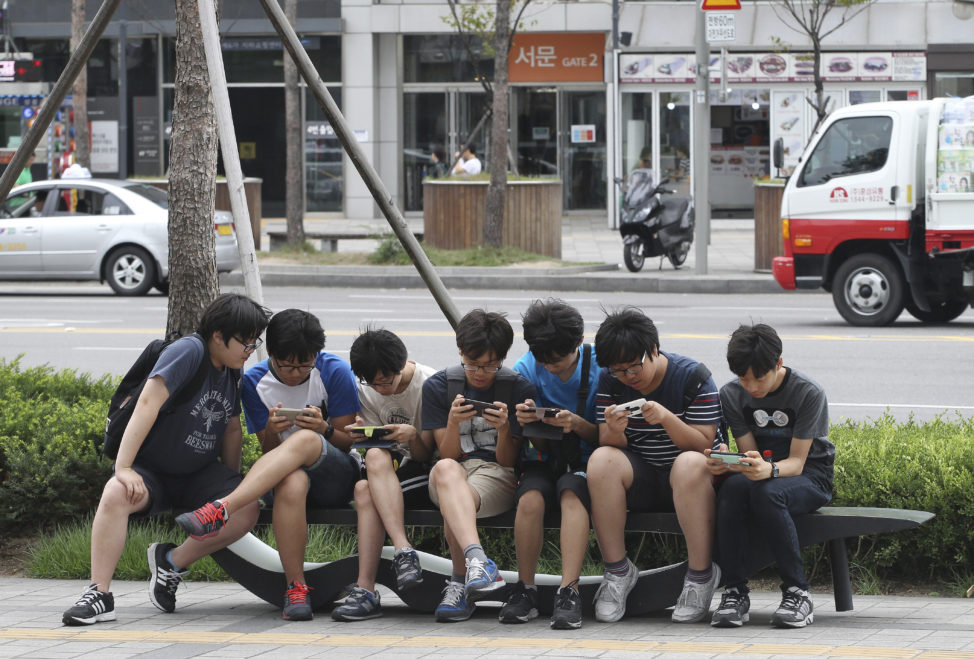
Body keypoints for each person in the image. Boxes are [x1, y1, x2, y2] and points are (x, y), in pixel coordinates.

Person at [61, 293, 272, 626]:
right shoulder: (189, 351)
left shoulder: (232, 368)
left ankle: (171, 562)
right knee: (116, 491)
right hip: (153, 472)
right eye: (245, 343)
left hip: (199, 473)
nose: (250, 350)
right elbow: (147, 404)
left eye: (252, 343)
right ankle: (99, 594)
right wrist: (124, 467)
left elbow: (231, 428)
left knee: (244, 505)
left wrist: (228, 486)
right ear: (218, 335)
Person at [174, 308, 361, 622]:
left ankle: (222, 508)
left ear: (317, 354)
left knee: (304, 441)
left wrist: (324, 429)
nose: (294, 373)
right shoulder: (254, 381)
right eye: (286, 365)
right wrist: (273, 432)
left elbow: (350, 441)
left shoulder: (334, 371)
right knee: (292, 481)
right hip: (285, 480)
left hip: (336, 477)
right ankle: (296, 588)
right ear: (270, 353)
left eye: (304, 365)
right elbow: (269, 450)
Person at [588, 307, 722, 624]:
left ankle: (700, 575)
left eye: (634, 367)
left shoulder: (693, 378)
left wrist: (666, 418)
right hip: (644, 477)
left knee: (689, 463)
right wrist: (613, 429)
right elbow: (608, 442)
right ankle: (618, 572)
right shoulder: (611, 380)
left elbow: (703, 445)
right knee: (601, 460)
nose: (628, 377)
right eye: (619, 371)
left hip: (694, 481)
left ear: (654, 350)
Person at [708, 324, 835, 629]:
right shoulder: (732, 394)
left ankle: (797, 592)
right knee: (732, 489)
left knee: (768, 493)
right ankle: (735, 591)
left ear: (778, 364)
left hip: (809, 476)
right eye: (743, 378)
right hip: (765, 472)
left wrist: (770, 470)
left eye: (759, 377)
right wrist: (730, 462)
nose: (751, 386)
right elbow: (751, 454)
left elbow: (797, 462)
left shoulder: (807, 392)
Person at [422, 309, 536, 622]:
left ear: (502, 358)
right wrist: (452, 422)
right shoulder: (438, 387)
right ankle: (478, 560)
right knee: (447, 473)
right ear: (460, 351)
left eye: (489, 365)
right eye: (472, 363)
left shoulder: (518, 389)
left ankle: (460, 585)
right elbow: (446, 455)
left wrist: (503, 429)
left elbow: (508, 462)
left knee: (453, 498)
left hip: (495, 474)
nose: (480, 372)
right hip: (452, 470)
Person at [503, 299, 601, 630]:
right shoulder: (526, 369)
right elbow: (535, 446)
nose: (548, 367)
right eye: (542, 360)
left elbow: (610, 438)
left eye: (556, 361)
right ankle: (525, 589)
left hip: (590, 460)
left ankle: (568, 590)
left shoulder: (600, 366)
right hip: (543, 458)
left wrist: (577, 425)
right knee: (530, 498)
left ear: (576, 344)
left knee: (572, 494)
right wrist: (531, 422)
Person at [330, 328, 438, 622]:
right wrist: (361, 435)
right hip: (388, 470)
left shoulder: (428, 383)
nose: (379, 388)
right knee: (373, 463)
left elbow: (425, 454)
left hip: (424, 471)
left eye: (385, 381)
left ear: (401, 365)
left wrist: (411, 436)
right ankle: (402, 550)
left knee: (366, 492)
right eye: (371, 383)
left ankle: (366, 590)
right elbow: (373, 450)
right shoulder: (365, 389)